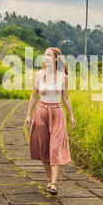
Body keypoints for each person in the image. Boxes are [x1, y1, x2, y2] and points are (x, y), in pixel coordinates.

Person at [25, 47, 76, 195]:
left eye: (49, 55)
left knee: (55, 148)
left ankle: (54, 183)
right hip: (41, 112)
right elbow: (33, 97)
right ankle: (49, 180)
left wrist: (71, 116)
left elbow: (66, 98)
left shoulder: (63, 77)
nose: (45, 57)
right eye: (44, 54)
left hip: (57, 112)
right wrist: (29, 115)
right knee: (44, 148)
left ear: (55, 59)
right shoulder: (38, 75)